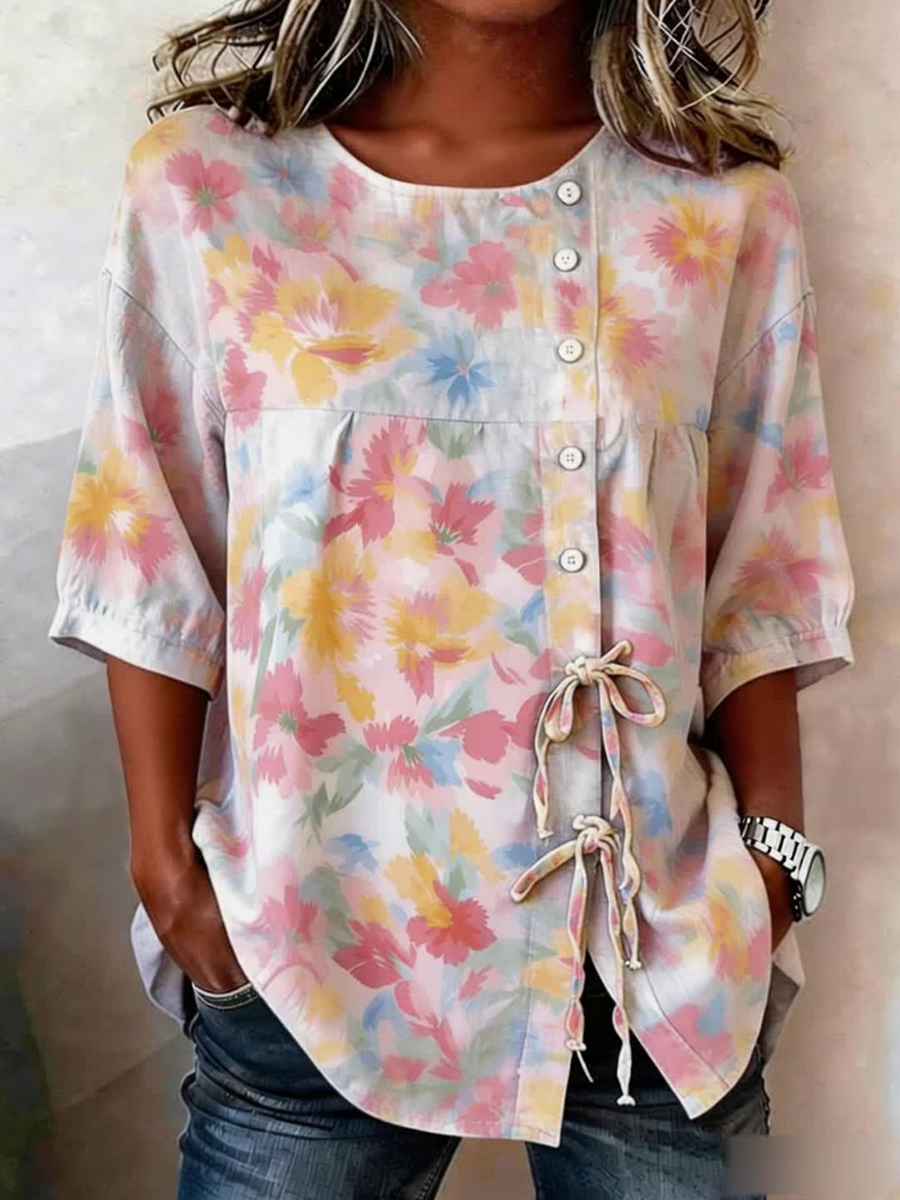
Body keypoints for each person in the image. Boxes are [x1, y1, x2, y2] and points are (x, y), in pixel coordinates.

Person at [47, 1, 856, 1197]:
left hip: (656, 961)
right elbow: (148, 541)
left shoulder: (723, 210)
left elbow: (765, 567)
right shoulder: (207, 188)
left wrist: (773, 867)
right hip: (310, 945)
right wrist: (168, 872)